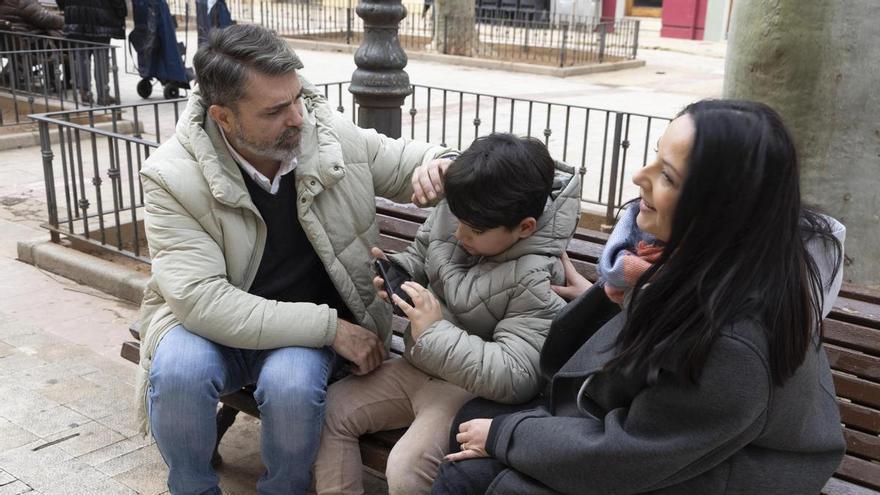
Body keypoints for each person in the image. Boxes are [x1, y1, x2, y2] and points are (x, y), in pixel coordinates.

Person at [433, 99, 847, 494]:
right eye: (654, 156)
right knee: (473, 420)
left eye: (667, 176)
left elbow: (631, 454)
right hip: (660, 443)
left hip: (706, 476)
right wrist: (614, 300)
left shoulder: (735, 336)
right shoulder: (701, 264)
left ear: (719, 206)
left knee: (469, 476)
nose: (639, 177)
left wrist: (506, 436)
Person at [136, 24, 454, 494]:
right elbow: (202, 301)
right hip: (216, 327)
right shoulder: (171, 176)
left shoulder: (326, 136)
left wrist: (443, 163)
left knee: (292, 386)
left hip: (302, 334)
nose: (298, 118)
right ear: (224, 117)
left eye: (297, 98)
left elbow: (408, 159)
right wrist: (331, 329)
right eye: (275, 110)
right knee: (180, 372)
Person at [313, 133, 581, 495]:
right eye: (457, 219)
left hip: (468, 393)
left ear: (525, 227)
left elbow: (517, 374)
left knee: (407, 469)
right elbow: (422, 256)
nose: (459, 233)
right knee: (329, 412)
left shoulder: (537, 275)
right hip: (416, 365)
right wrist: (399, 274)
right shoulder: (465, 206)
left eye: (475, 230)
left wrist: (434, 330)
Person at [56, 0, 126, 104]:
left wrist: (67, 8)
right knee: (101, 56)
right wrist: (121, 12)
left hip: (77, 16)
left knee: (81, 56)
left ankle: (85, 93)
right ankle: (103, 94)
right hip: (101, 17)